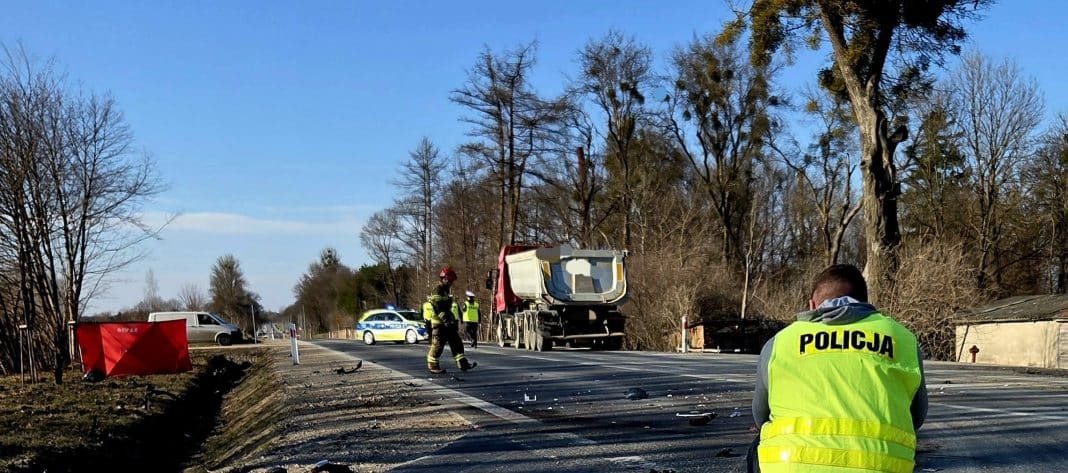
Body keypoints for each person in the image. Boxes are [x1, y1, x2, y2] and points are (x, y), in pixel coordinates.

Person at [748, 264, 928, 473]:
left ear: (813, 305)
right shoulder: (901, 338)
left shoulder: (780, 342)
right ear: (865, 303)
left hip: (793, 466)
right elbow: (917, 416)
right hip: (880, 467)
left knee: (758, 446)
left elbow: (760, 416)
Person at [426, 266, 477, 374]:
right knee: (438, 345)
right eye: (449, 280)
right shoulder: (438, 290)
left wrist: (451, 321)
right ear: (444, 279)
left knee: (457, 343)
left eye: (451, 281)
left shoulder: (445, 290)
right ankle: (433, 365)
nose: (450, 283)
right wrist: (446, 320)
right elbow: (438, 307)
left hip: (448, 322)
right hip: (439, 323)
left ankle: (462, 364)